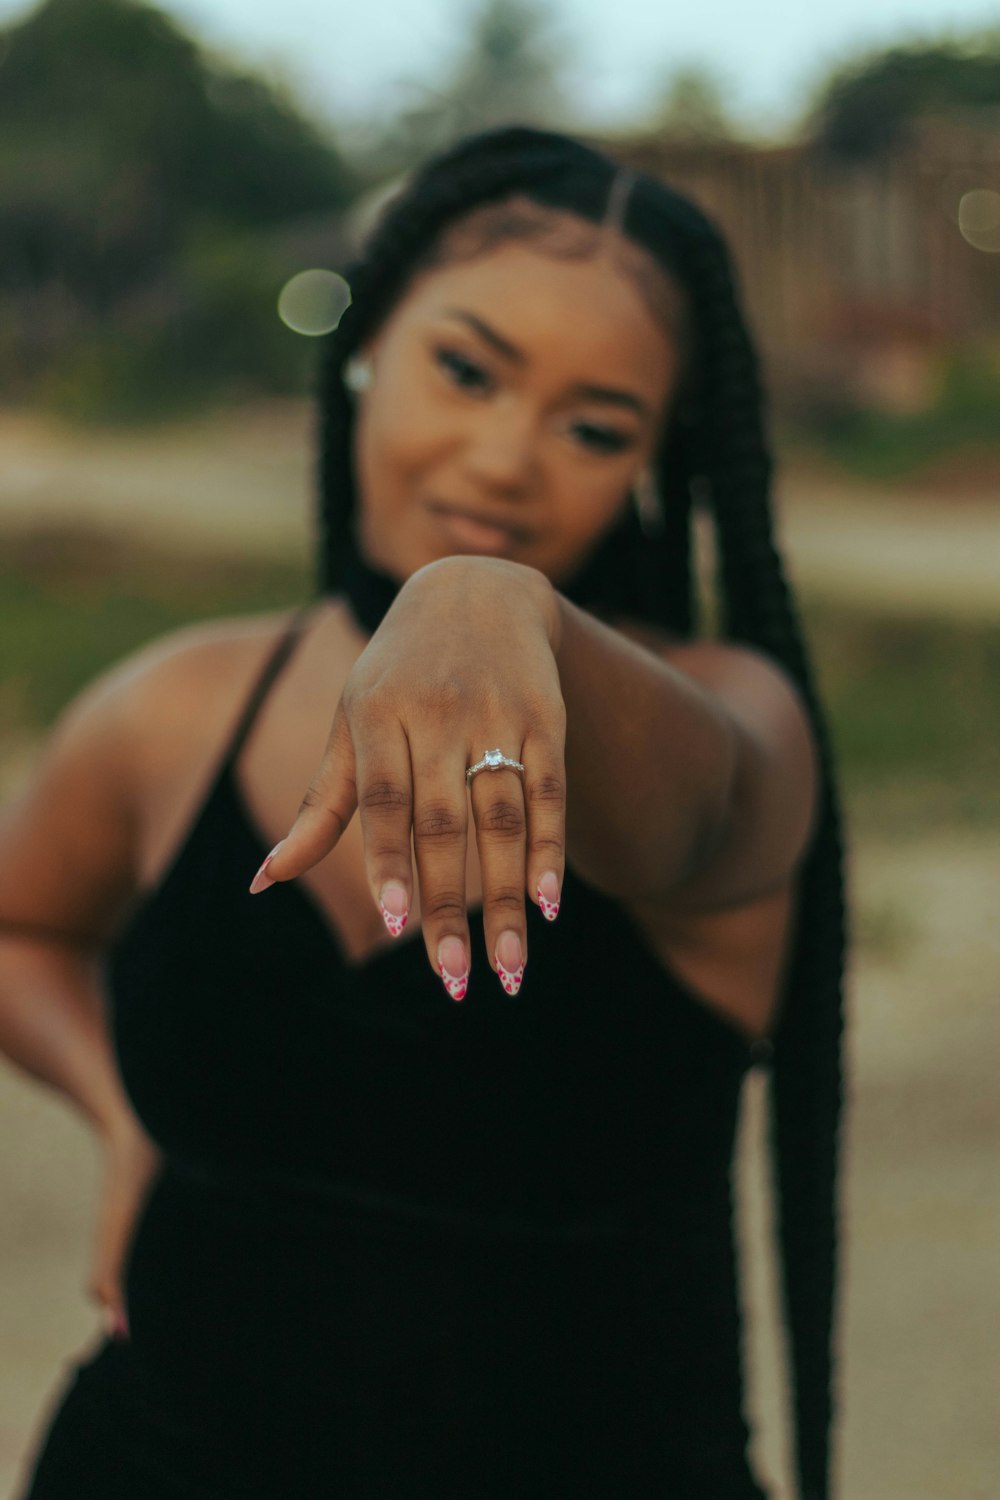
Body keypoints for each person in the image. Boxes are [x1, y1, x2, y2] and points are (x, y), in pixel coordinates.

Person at [1, 127, 846, 1499]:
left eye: (595, 427)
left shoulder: (728, 720)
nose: (508, 458)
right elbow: (22, 924)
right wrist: (123, 1114)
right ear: (364, 349)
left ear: (653, 461)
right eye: (466, 368)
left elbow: (701, 822)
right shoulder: (179, 707)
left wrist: (490, 601)